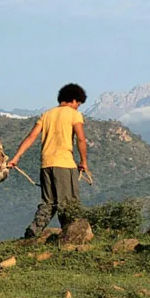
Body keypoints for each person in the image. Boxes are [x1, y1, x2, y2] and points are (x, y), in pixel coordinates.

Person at [7, 83, 89, 238]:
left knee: (48, 203)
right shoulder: (74, 114)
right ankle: (70, 236)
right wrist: (83, 161)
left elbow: (31, 137)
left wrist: (16, 157)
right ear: (73, 100)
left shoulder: (46, 115)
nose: (78, 107)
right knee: (69, 204)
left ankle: (33, 231)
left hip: (46, 165)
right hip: (64, 164)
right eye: (78, 104)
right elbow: (81, 139)